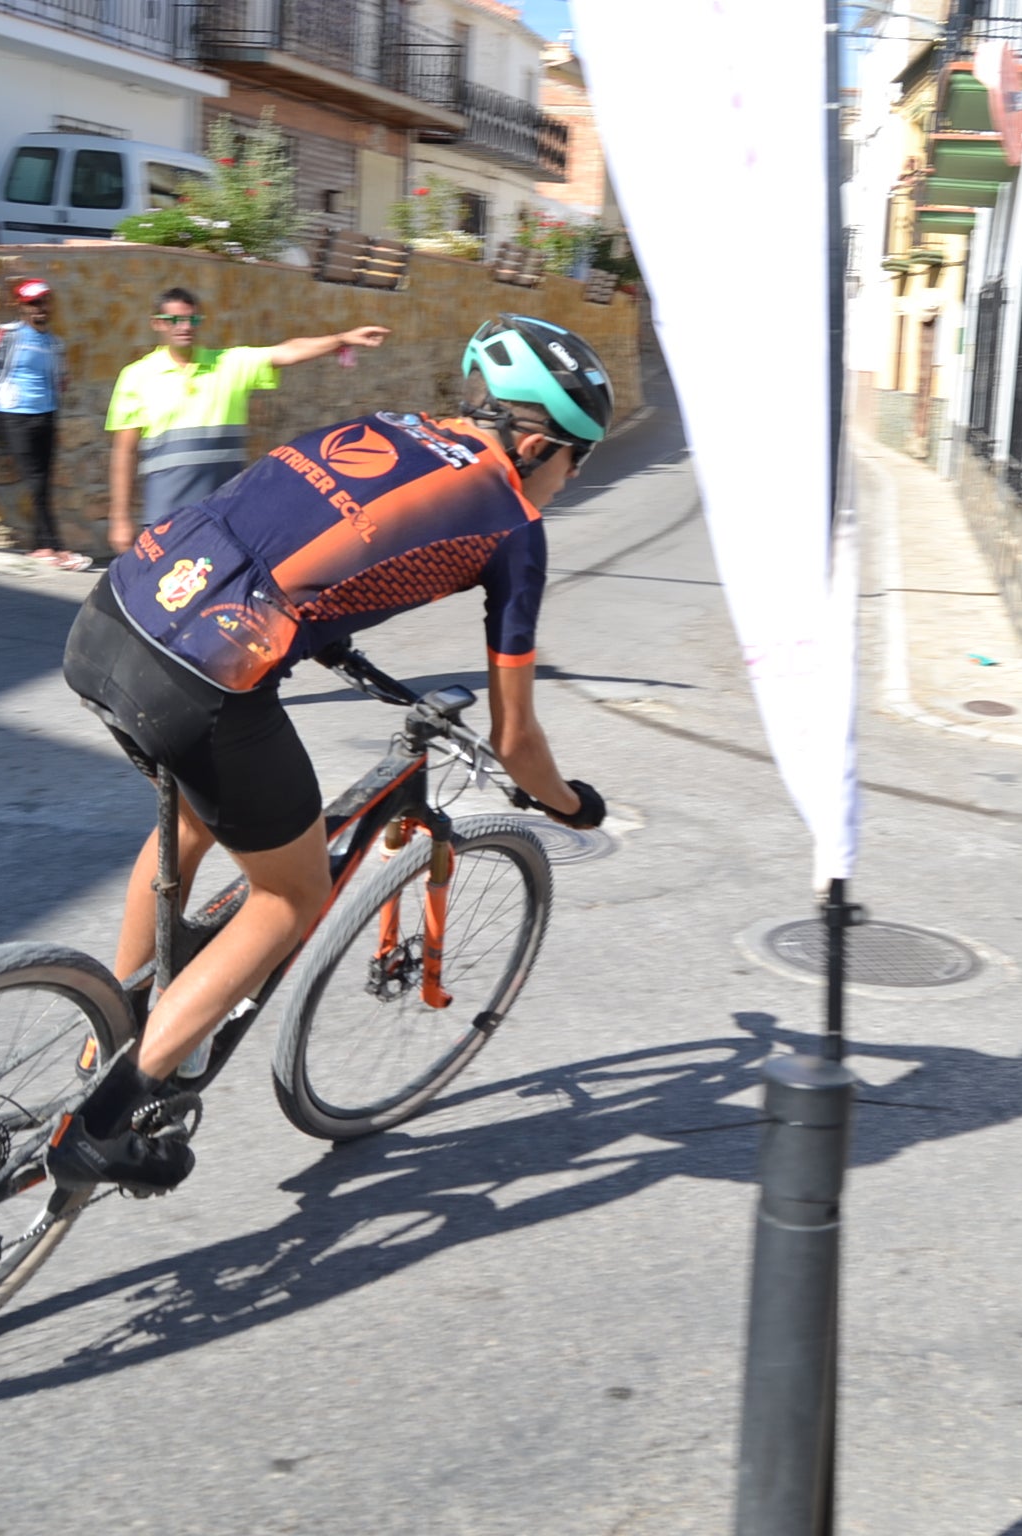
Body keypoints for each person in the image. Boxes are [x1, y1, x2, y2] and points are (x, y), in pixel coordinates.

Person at [53, 314, 615, 1193]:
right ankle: (107, 1118)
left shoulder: (385, 425)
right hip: (201, 677)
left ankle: (111, 1026)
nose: (571, 481)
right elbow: (516, 739)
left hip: (112, 614)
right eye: (578, 461)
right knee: (293, 891)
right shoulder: (511, 521)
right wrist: (568, 804)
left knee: (200, 823)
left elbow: (285, 530)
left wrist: (322, 635)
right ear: (539, 442)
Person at [104, 286, 392, 555]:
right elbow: (124, 451)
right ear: (157, 323)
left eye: (192, 319)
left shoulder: (228, 364)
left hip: (225, 514)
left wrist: (341, 340)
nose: (184, 327)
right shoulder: (137, 376)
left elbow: (288, 351)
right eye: (174, 319)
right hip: (164, 517)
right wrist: (120, 518)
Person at [0, 278, 85, 569]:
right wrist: (3, 398)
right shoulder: (7, 335)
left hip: (46, 413)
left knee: (43, 482)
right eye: (33, 303)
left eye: (44, 302)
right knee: (35, 480)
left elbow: (61, 379)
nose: (40, 309)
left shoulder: (54, 342)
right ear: (21, 306)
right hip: (14, 415)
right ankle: (56, 547)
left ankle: (40, 547)